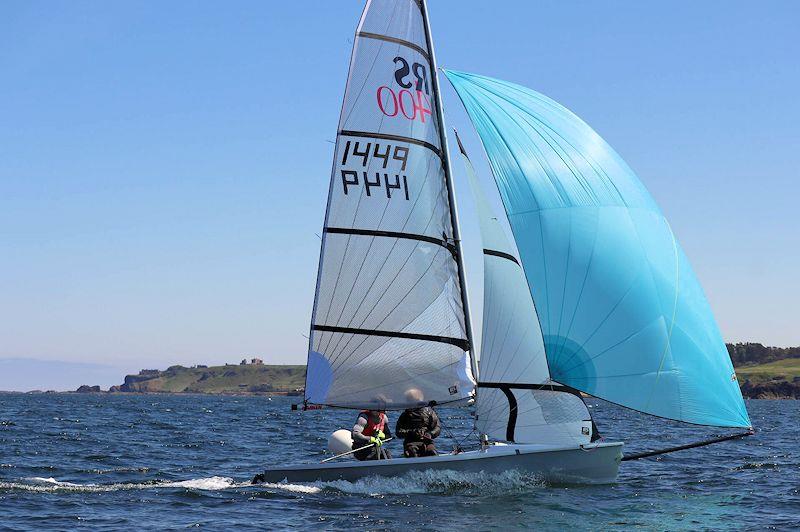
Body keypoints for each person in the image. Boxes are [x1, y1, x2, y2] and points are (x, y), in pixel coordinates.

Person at [395, 389, 441, 458]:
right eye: (409, 401)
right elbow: (398, 432)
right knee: (412, 452)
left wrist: (430, 434)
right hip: (411, 443)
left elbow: (437, 428)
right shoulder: (405, 415)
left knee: (432, 452)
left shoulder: (429, 412)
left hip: (427, 442)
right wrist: (412, 432)